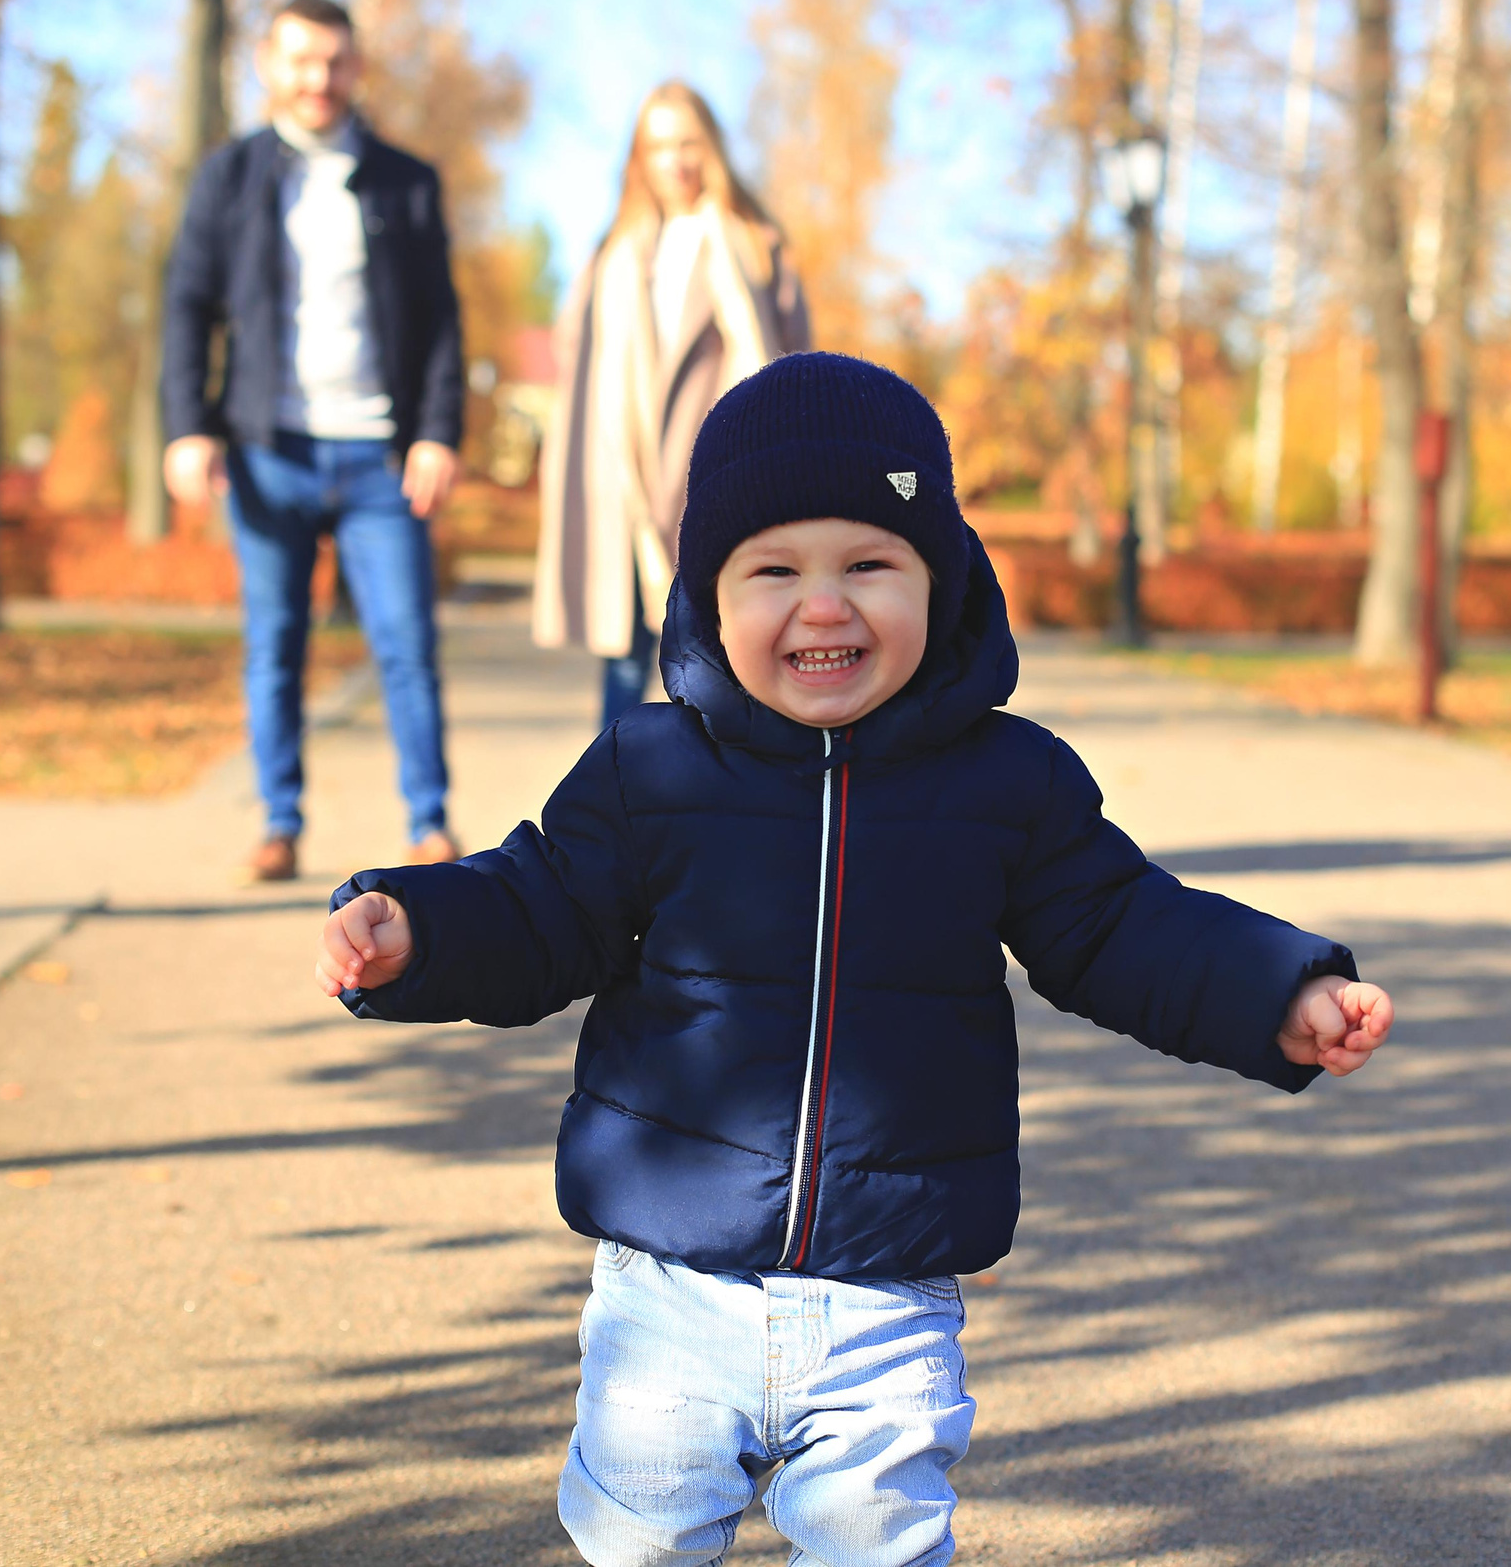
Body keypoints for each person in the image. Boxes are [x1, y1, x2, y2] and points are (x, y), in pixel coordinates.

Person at [314, 353, 1395, 1565]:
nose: (823, 607)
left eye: (869, 566)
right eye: (774, 571)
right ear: (709, 596)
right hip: (670, 1277)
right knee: (640, 1537)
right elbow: (540, 907)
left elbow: (1118, 924)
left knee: (876, 1540)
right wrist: (417, 932)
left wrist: (1275, 990)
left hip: (889, 1283)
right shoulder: (648, 769)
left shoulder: (1008, 782)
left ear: (942, 581)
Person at [159, 0, 463, 882]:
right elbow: (187, 308)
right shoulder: (230, 176)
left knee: (406, 644)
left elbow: (442, 323)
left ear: (356, 67)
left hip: (380, 459)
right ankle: (279, 822)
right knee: (275, 646)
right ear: (269, 65)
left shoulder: (406, 181)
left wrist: (438, 432)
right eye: (300, 60)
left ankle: (430, 822)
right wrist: (189, 428)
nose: (318, 79)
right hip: (270, 452)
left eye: (333, 62)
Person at [533, 81, 811, 729]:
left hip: (717, 473)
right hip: (627, 486)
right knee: (625, 661)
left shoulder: (756, 242)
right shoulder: (613, 253)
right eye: (658, 146)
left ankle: (722, 786)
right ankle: (614, 787)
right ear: (640, 157)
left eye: (688, 142)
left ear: (711, 147)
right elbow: (575, 355)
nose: (675, 160)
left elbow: (796, 361)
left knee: (724, 660)